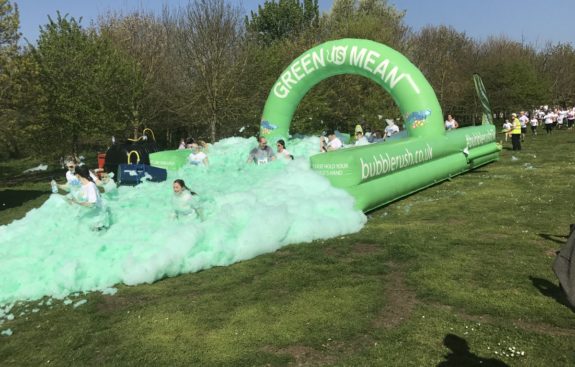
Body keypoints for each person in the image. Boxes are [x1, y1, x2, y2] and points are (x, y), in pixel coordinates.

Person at [67, 165, 110, 230]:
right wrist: (72, 201)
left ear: (78, 175)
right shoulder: (83, 186)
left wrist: (77, 202)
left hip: (98, 220)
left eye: (75, 173)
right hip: (91, 215)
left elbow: (92, 204)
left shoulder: (90, 186)